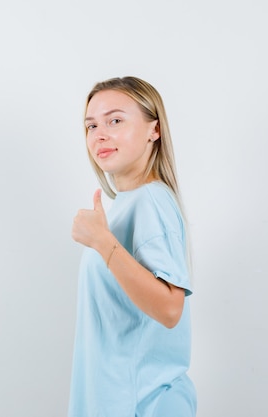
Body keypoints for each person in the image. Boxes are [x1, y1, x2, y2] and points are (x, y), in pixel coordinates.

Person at [69, 76, 196, 417]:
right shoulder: (127, 204)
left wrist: (102, 242)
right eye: (91, 125)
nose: (100, 134)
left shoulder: (151, 201)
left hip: (144, 403)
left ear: (153, 130)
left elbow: (170, 310)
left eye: (115, 120)